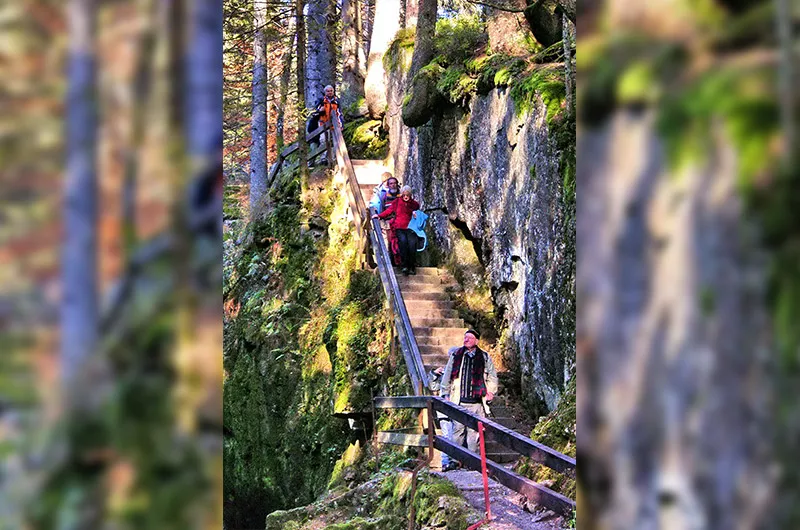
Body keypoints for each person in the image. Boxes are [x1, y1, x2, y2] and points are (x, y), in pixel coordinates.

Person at [438, 329, 499, 472]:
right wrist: (445, 392)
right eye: (465, 338)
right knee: (457, 432)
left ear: (476, 341)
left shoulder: (484, 357)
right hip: (459, 401)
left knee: (474, 434)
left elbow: (492, 376)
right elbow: (447, 376)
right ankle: (455, 461)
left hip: (477, 402)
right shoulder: (457, 355)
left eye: (470, 338)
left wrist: (491, 391)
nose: (466, 340)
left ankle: (473, 461)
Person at [372, 185, 420, 275]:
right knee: (403, 245)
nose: (406, 197)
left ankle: (412, 266)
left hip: (411, 228)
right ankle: (404, 266)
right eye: (404, 194)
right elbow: (389, 211)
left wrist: (415, 212)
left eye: (408, 195)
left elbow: (418, 212)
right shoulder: (397, 202)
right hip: (399, 227)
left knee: (412, 246)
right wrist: (379, 216)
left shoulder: (414, 204)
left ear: (410, 195)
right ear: (402, 194)